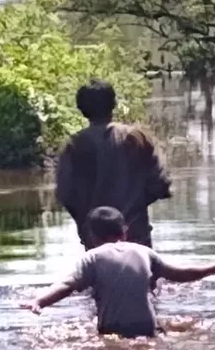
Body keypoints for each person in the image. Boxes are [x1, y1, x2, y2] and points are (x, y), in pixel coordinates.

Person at [22, 207, 215, 338]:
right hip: (147, 329)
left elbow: (66, 285)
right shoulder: (144, 252)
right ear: (125, 231)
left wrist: (39, 301)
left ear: (92, 236)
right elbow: (180, 274)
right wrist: (213, 268)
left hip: (113, 330)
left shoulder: (92, 257)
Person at [56, 80, 172, 249]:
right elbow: (161, 185)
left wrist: (87, 225)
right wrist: (133, 209)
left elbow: (66, 195)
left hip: (96, 239)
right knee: (142, 272)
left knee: (101, 273)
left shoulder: (74, 145)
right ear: (114, 104)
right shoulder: (136, 137)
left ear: (82, 109)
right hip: (136, 235)